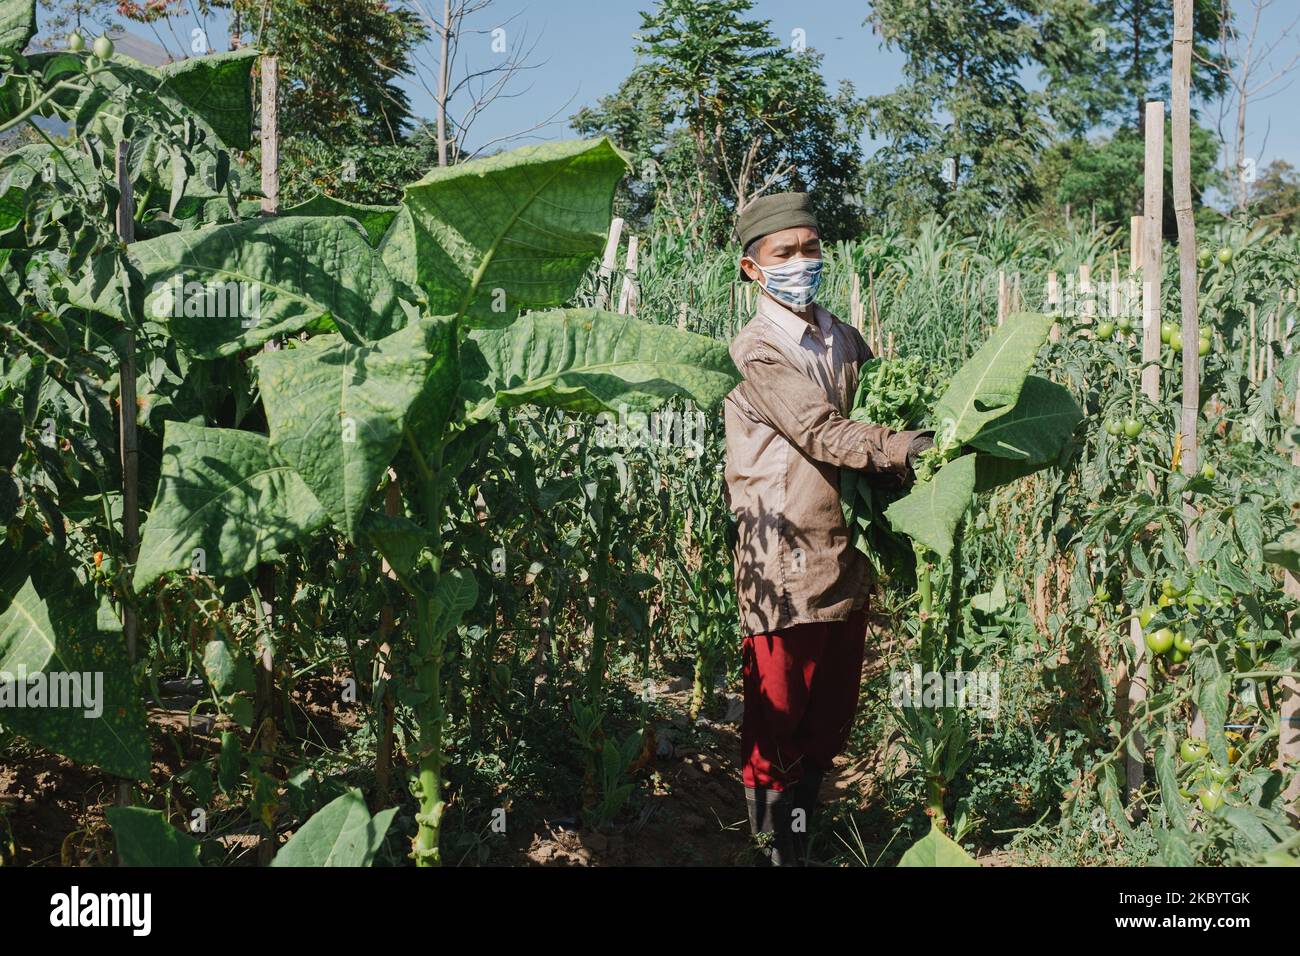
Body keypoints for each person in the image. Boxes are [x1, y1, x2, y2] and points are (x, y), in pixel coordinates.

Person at [723, 192, 932, 865]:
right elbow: (819, 429)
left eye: (810, 247)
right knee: (780, 702)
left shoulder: (839, 334)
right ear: (753, 268)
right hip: (780, 541)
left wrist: (901, 457)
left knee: (833, 703)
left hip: (842, 539)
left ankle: (805, 820)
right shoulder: (758, 349)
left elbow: (871, 404)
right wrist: (900, 447)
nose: (802, 261)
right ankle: (773, 841)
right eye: (785, 252)